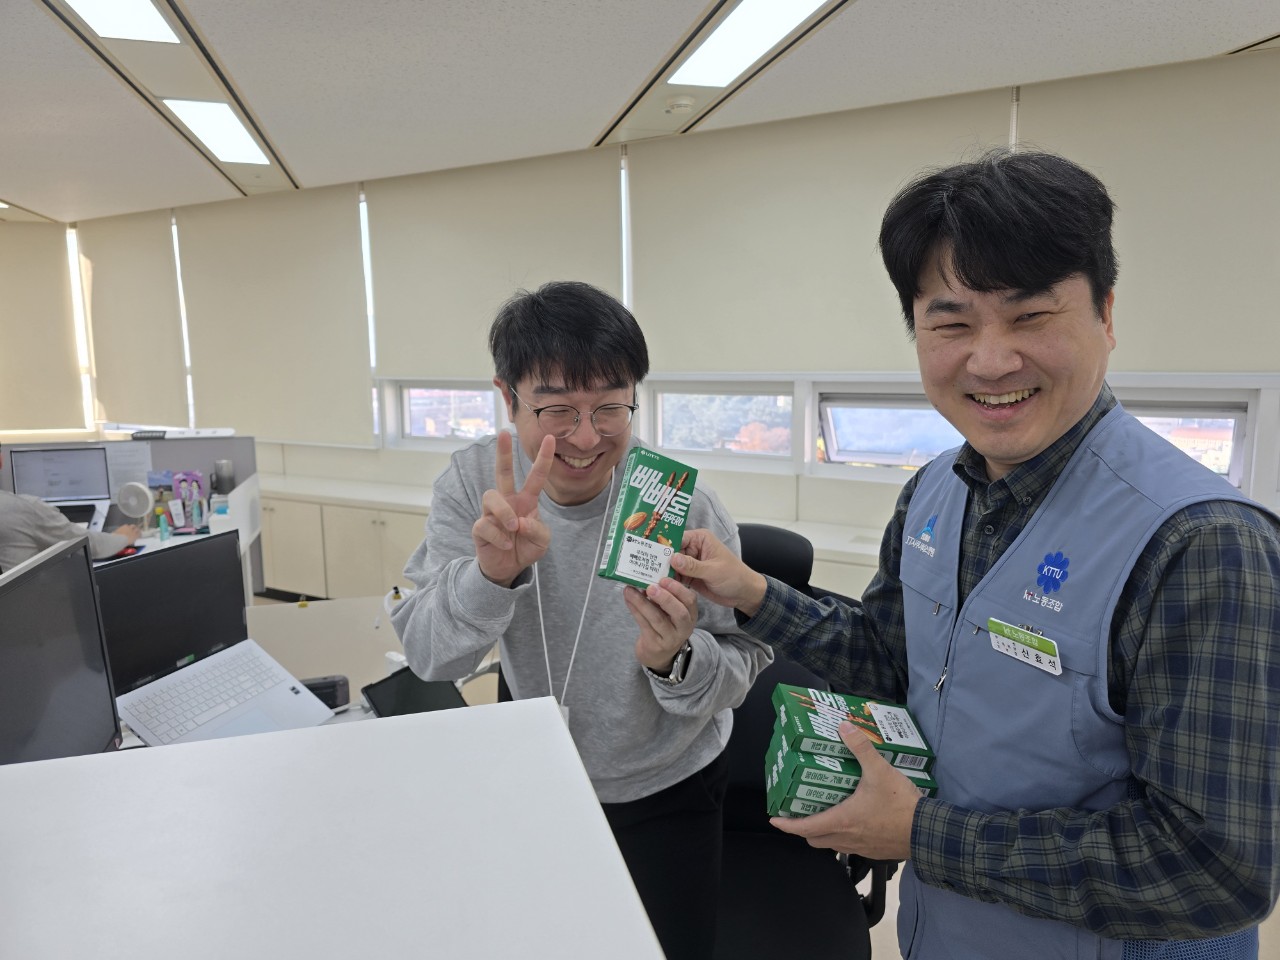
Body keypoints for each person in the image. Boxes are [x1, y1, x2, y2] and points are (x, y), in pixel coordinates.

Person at [666, 150, 1280, 958]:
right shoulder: (933, 492)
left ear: (1105, 315)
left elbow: (1213, 869)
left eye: (1030, 317)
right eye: (952, 324)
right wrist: (750, 591)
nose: (990, 361)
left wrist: (922, 835)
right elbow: (892, 663)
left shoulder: (1202, 544)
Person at [390, 280, 771, 959]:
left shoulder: (678, 503)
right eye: (557, 409)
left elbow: (742, 659)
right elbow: (429, 656)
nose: (588, 437)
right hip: (535, 774)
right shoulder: (477, 486)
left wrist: (677, 659)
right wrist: (489, 577)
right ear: (508, 397)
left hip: (667, 786)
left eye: (610, 407)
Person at [0, 444, 140, 573]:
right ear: (1, 460)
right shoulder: (23, 508)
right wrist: (123, 537)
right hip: (34, 592)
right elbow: (89, 545)